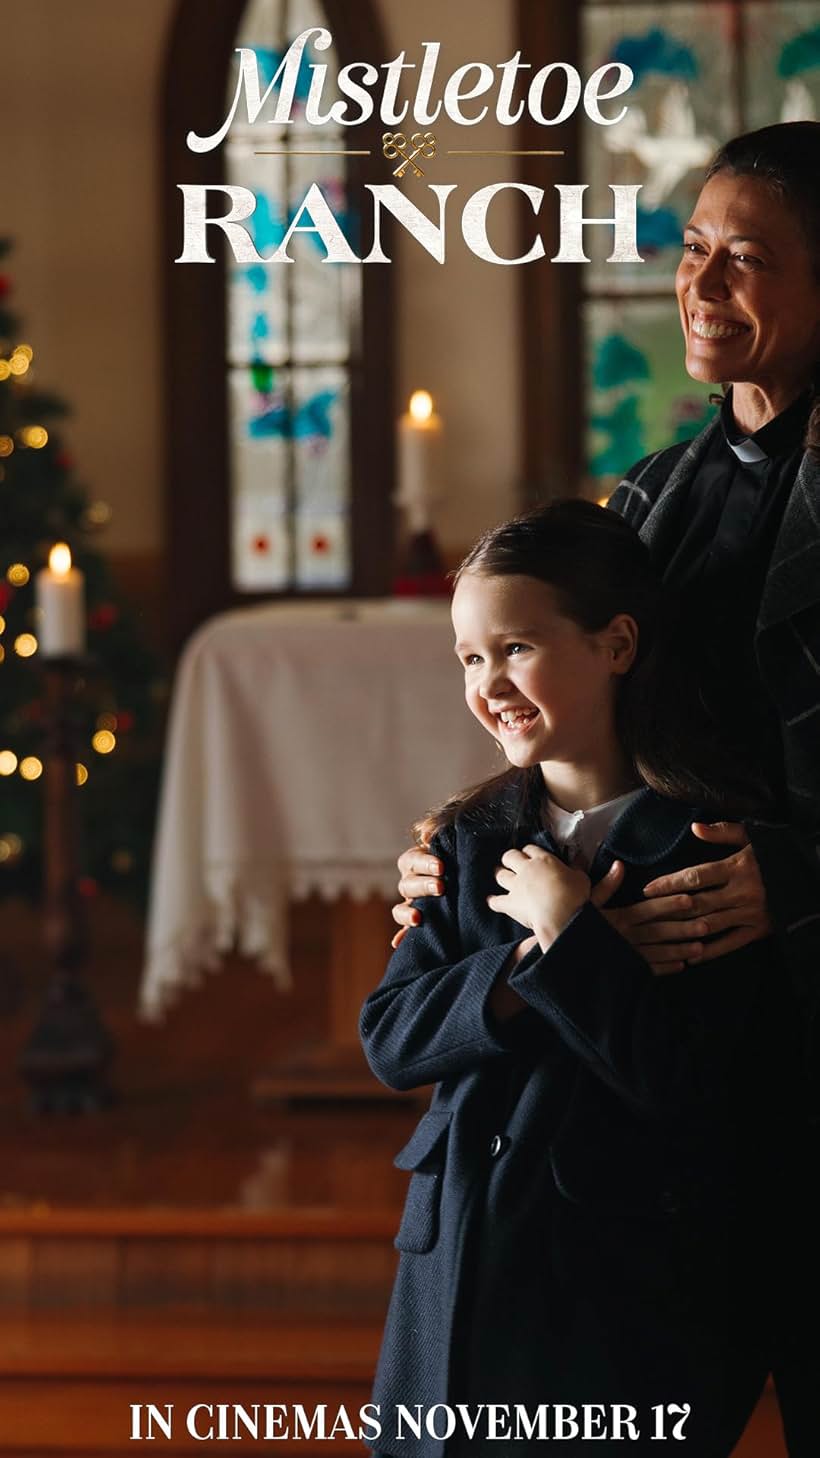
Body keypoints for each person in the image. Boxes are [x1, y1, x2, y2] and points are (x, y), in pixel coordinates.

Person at [360, 501, 806, 1458]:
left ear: (616, 644)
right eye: (469, 659)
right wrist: (527, 964)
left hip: (606, 1305)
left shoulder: (703, 850)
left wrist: (578, 939)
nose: (489, 685)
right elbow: (391, 1039)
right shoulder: (466, 844)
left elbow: (684, 1087)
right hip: (451, 1292)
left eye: (514, 647)